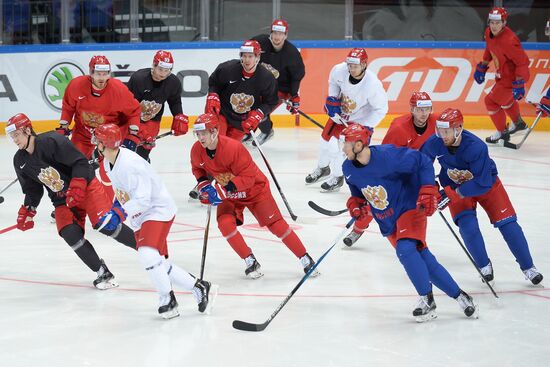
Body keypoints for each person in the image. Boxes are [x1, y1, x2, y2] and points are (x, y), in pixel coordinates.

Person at [341, 123, 477, 322]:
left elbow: (422, 161)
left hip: (410, 206)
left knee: (405, 249)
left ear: (360, 145)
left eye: (347, 143)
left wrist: (427, 190)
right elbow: (357, 193)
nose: (344, 148)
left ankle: (427, 301)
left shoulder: (387, 156)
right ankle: (461, 296)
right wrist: (355, 205)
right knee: (424, 261)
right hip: (386, 218)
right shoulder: (348, 168)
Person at [93, 123, 215, 319]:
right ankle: (198, 286)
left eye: (97, 141)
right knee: (156, 261)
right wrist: (115, 210)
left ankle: (168, 299)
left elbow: (143, 200)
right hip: (141, 216)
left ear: (105, 144)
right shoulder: (110, 162)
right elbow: (123, 193)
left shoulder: (130, 164)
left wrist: (119, 215)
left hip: (157, 210)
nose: (95, 144)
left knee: (147, 254)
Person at [6, 113, 137, 289]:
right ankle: (102, 272)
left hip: (86, 187)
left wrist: (77, 184)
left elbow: (81, 162)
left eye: (17, 134)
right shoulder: (20, 160)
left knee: (105, 224)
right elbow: (32, 189)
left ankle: (147, 246)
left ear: (28, 130)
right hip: (61, 199)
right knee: (69, 233)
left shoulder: (51, 141)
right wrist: (28, 210)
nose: (14, 139)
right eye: (12, 136)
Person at [421, 108, 544, 285]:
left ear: (459, 128)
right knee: (467, 227)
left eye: (446, 131)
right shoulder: (435, 142)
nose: (442, 135)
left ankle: (528, 267)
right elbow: (422, 164)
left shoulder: (476, 147)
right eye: (440, 131)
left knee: (509, 226)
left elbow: (483, 182)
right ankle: (484, 265)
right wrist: (430, 187)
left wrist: (454, 194)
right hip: (455, 186)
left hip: (486, 186)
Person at [190, 113, 319, 279]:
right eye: (198, 133)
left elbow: (248, 178)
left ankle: (305, 258)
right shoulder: (196, 150)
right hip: (230, 194)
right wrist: (204, 185)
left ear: (214, 131)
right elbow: (198, 168)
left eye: (204, 133)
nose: (200, 137)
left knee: (276, 226)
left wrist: (221, 191)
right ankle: (250, 261)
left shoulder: (233, 148)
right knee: (225, 224)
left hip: (255, 190)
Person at [343, 91, 436, 247]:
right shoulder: (399, 128)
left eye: (427, 109)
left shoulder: (436, 124)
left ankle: (417, 244)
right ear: (412, 109)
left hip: (420, 170)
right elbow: (384, 158)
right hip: (397, 172)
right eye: (420, 109)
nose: (424, 113)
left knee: (420, 206)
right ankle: (358, 229)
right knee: (379, 202)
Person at [305, 48, 388, 192]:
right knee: (324, 142)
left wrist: (366, 127)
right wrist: (332, 98)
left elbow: (381, 109)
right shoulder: (339, 70)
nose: (351, 69)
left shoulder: (372, 84)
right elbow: (334, 83)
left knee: (340, 150)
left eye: (355, 66)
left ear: (364, 65)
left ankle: (337, 177)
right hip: (340, 115)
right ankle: (323, 168)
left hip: (360, 120)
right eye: (349, 65)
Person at [56, 55, 141, 159]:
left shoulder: (119, 90)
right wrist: (63, 126)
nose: (101, 78)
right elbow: (68, 107)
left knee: (108, 171)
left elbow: (134, 111)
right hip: (83, 134)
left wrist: (133, 135)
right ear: (91, 73)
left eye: (105, 74)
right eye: (98, 74)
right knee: (76, 164)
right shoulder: (76, 85)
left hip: (110, 136)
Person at [244, 19, 305, 145]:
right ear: (270, 33)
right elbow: (246, 53)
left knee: (260, 109)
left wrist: (294, 96)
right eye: (275, 33)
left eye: (280, 34)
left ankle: (267, 131)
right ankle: (250, 132)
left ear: (286, 35)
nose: (277, 37)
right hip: (262, 84)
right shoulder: (260, 42)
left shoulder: (292, 53)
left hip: (281, 89)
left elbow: (296, 77)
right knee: (247, 103)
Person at [474, 7, 529, 144]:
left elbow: (522, 63)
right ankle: (518, 123)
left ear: (504, 23)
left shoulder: (510, 41)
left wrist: (519, 83)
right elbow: (489, 48)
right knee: (505, 101)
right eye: (492, 22)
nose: (494, 26)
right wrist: (482, 66)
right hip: (503, 75)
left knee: (491, 101)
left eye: (498, 23)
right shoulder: (488, 33)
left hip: (512, 78)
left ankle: (502, 133)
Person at [205, 39, 279, 142]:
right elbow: (214, 82)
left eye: (250, 56)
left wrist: (259, 113)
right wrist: (213, 95)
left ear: (257, 57)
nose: (247, 60)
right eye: (244, 56)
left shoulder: (266, 78)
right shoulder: (228, 69)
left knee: (230, 149)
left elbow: (271, 102)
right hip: (223, 113)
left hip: (242, 121)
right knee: (217, 142)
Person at [125, 50, 189, 162]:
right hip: (133, 120)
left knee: (142, 154)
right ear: (153, 65)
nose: (163, 74)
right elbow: (129, 108)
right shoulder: (139, 79)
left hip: (153, 121)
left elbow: (175, 101)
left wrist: (179, 116)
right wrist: (140, 131)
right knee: (128, 152)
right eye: (160, 69)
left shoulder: (173, 82)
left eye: (167, 70)